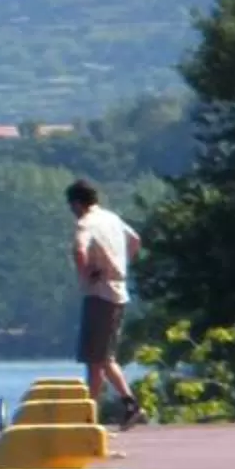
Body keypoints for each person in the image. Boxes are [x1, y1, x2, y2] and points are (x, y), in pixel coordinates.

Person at [66, 180, 147, 428]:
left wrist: (85, 275)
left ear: (78, 204)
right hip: (118, 291)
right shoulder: (112, 219)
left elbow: (79, 250)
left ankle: (94, 415)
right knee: (104, 356)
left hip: (99, 293)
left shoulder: (85, 223)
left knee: (95, 359)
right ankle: (126, 404)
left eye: (72, 206)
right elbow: (135, 241)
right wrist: (120, 265)